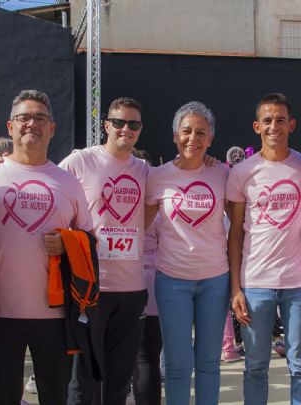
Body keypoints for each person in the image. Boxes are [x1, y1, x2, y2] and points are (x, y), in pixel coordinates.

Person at [0, 90, 93, 405]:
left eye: (40, 118)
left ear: (52, 128)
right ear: (10, 127)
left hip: (54, 315)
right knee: (3, 398)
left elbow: (91, 241)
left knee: (55, 397)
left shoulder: (68, 182)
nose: (32, 124)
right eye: (24, 118)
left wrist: (69, 244)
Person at [227, 93, 301, 405]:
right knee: (255, 367)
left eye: (280, 120)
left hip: (299, 284)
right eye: (267, 120)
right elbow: (235, 234)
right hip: (256, 284)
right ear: (256, 126)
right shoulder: (242, 172)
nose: (273, 126)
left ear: (291, 124)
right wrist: (235, 288)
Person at [60, 97, 149, 405]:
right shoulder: (80, 161)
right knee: (84, 378)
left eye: (133, 124)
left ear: (140, 130)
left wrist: (211, 162)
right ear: (106, 126)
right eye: (120, 122)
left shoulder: (144, 170)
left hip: (132, 288)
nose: (126, 129)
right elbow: (48, 188)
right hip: (90, 287)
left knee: (119, 380)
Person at [144, 101, 230, 405]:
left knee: (209, 363)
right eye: (187, 131)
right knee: (178, 366)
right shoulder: (156, 176)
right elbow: (139, 225)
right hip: (172, 281)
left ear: (210, 139)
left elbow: (242, 223)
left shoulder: (223, 174)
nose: (193, 138)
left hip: (215, 281)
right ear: (174, 136)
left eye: (201, 133)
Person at [132, 148, 163, 405]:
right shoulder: (157, 209)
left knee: (135, 358)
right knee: (148, 357)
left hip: (119, 285)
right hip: (151, 287)